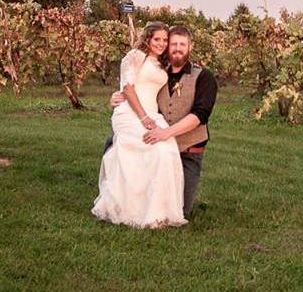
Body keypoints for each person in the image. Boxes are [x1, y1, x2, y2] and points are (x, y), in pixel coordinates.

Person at [106, 25, 218, 219]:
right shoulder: (159, 70)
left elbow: (200, 115)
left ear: (190, 47)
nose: (177, 48)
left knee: (181, 210)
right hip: (159, 138)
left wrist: (165, 133)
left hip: (188, 151)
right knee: (116, 143)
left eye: (182, 44)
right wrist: (117, 96)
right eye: (173, 43)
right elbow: (136, 88)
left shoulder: (204, 76)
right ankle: (125, 203)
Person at [92, 22, 187, 228]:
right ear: (147, 39)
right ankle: (127, 209)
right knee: (147, 151)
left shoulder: (163, 64)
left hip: (152, 114)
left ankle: (158, 212)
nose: (161, 44)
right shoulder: (134, 56)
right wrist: (142, 117)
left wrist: (150, 117)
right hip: (131, 113)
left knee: (166, 151)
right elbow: (127, 87)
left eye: (164, 40)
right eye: (157, 39)